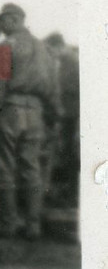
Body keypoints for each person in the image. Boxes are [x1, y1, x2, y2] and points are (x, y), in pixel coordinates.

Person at [0, 3, 59, 240]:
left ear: (13, 20)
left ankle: (8, 224)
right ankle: (33, 225)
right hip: (36, 112)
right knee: (31, 167)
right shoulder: (44, 48)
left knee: (4, 164)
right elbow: (53, 88)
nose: (1, 25)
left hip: (11, 110)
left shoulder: (7, 46)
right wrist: (51, 116)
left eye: (3, 21)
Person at [43, 32, 79, 207]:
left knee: (72, 157)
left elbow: (71, 91)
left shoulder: (72, 62)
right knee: (68, 156)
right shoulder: (67, 61)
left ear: (58, 46)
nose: (51, 54)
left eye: (50, 50)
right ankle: (69, 194)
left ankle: (71, 196)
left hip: (73, 118)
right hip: (69, 117)